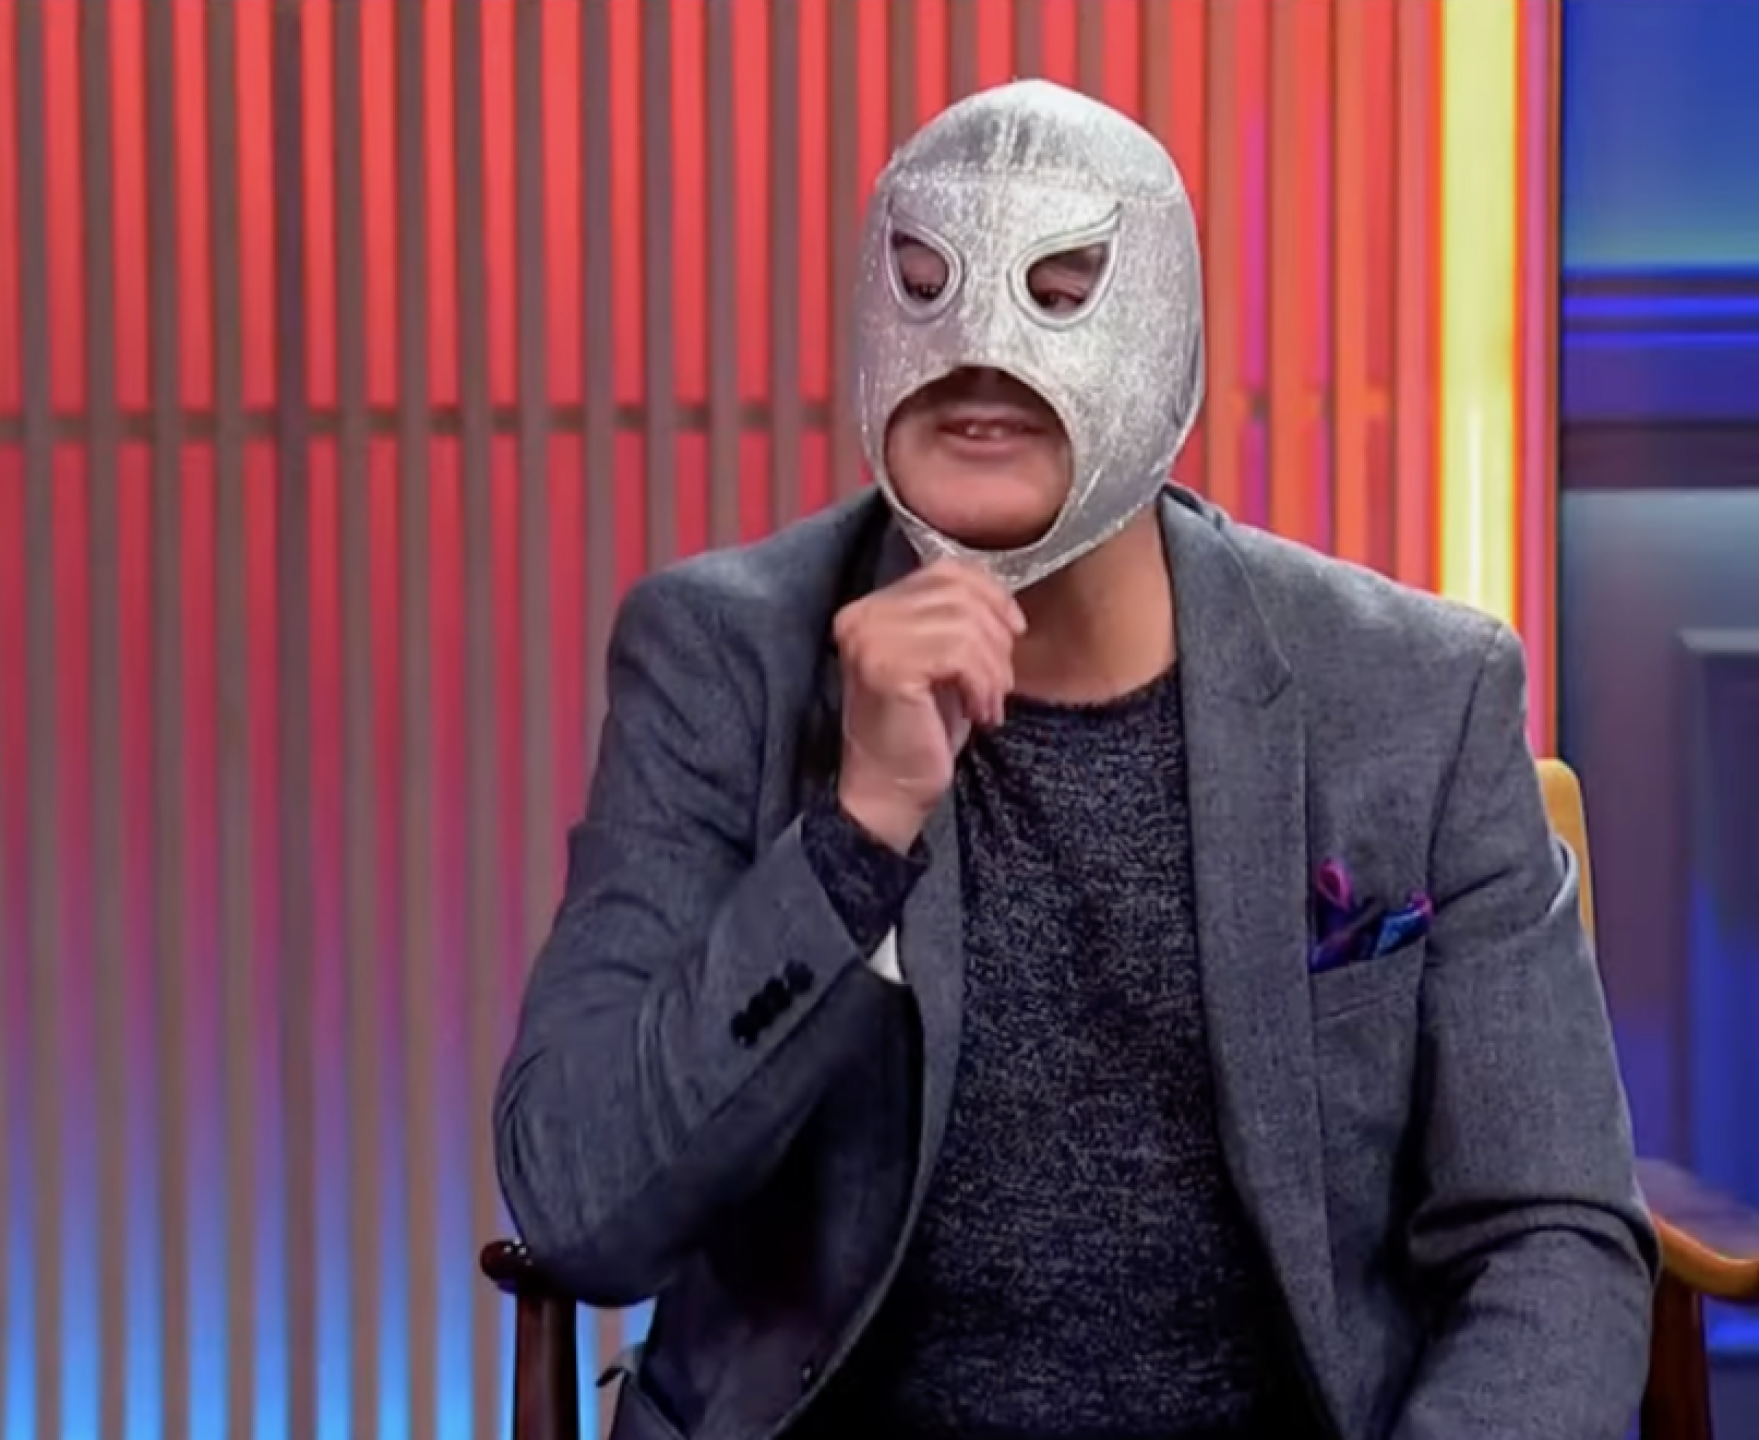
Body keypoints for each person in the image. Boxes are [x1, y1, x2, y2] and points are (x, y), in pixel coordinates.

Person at [495, 79, 1656, 1440]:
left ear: (1169, 343)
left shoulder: (1415, 696)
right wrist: (854, 837)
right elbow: (579, 1206)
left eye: (1058, 292)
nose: (981, 357)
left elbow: (1549, 1236)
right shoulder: (715, 658)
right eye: (926, 285)